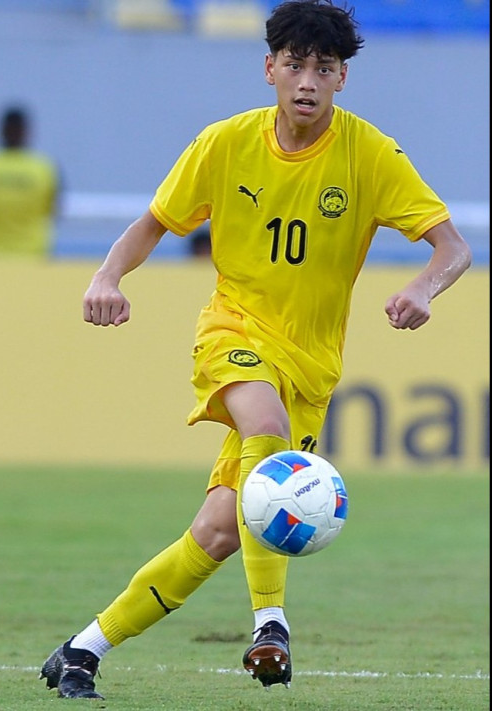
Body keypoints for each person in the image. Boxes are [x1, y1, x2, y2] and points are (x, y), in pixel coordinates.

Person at [40, 0, 471, 700]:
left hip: (310, 366)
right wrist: (105, 275)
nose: (306, 80)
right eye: (294, 64)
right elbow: (155, 221)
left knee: (217, 531)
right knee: (264, 431)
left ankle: (80, 651)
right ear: (268, 68)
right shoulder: (224, 143)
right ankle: (270, 623)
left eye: (323, 68)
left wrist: (424, 287)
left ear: (341, 80)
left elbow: (451, 247)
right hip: (232, 332)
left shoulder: (370, 154)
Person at [0, 105, 62, 258]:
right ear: (26, 131)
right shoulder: (44, 169)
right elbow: (54, 211)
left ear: (1, 130)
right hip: (35, 258)